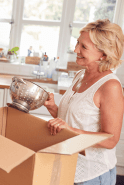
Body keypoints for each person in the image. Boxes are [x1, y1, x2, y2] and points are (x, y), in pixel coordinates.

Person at [44, 19, 124, 185]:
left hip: (92, 174)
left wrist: (71, 130)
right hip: (69, 165)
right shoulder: (81, 75)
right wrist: (52, 108)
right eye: (77, 43)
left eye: (83, 47)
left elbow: (110, 140)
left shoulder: (111, 86)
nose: (75, 50)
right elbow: (74, 121)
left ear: (104, 54)